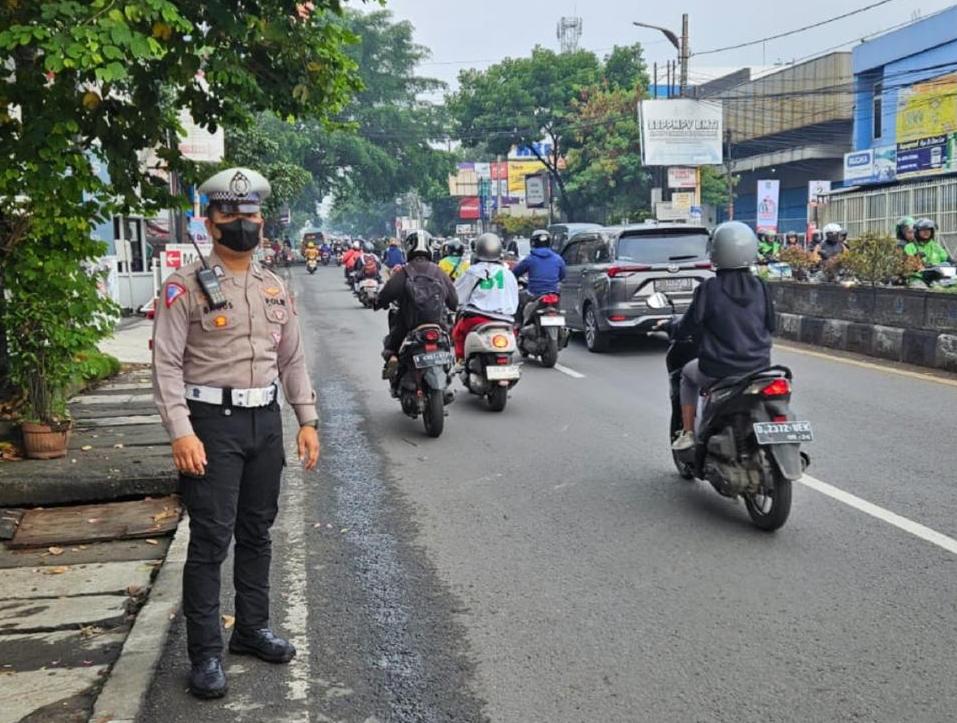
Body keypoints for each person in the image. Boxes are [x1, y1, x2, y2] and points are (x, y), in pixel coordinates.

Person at [152, 167, 320, 699]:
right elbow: (166, 365)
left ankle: (251, 629)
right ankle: (205, 653)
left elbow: (291, 359)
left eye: (250, 213)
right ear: (210, 222)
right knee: (210, 539)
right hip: (210, 425)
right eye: (229, 212)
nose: (241, 221)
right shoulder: (184, 286)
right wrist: (180, 431)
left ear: (261, 221)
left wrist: (306, 419)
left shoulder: (274, 285)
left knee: (257, 531)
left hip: (264, 422)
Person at [668, 221, 775, 451]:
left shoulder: (709, 289)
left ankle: (688, 432)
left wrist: (671, 328)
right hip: (760, 370)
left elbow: (688, 327)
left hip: (719, 370)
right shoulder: (761, 286)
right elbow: (771, 325)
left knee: (687, 375)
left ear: (716, 252)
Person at [374, 230, 457, 379]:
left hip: (409, 325)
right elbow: (454, 302)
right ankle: (447, 369)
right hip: (438, 324)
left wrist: (378, 303)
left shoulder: (404, 272)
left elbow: (386, 294)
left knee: (392, 342)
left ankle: (393, 357)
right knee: (447, 341)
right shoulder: (438, 271)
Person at [451, 232, 520, 362]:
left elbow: (457, 296)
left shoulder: (473, 272)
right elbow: (514, 300)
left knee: (457, 333)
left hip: (478, 319)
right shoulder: (508, 273)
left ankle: (461, 361)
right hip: (506, 320)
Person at [511, 229, 566, 323]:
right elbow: (562, 275)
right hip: (554, 293)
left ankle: (518, 324)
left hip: (534, 294)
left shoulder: (530, 259)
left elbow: (515, 273)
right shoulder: (558, 259)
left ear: (533, 243)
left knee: (519, 297)